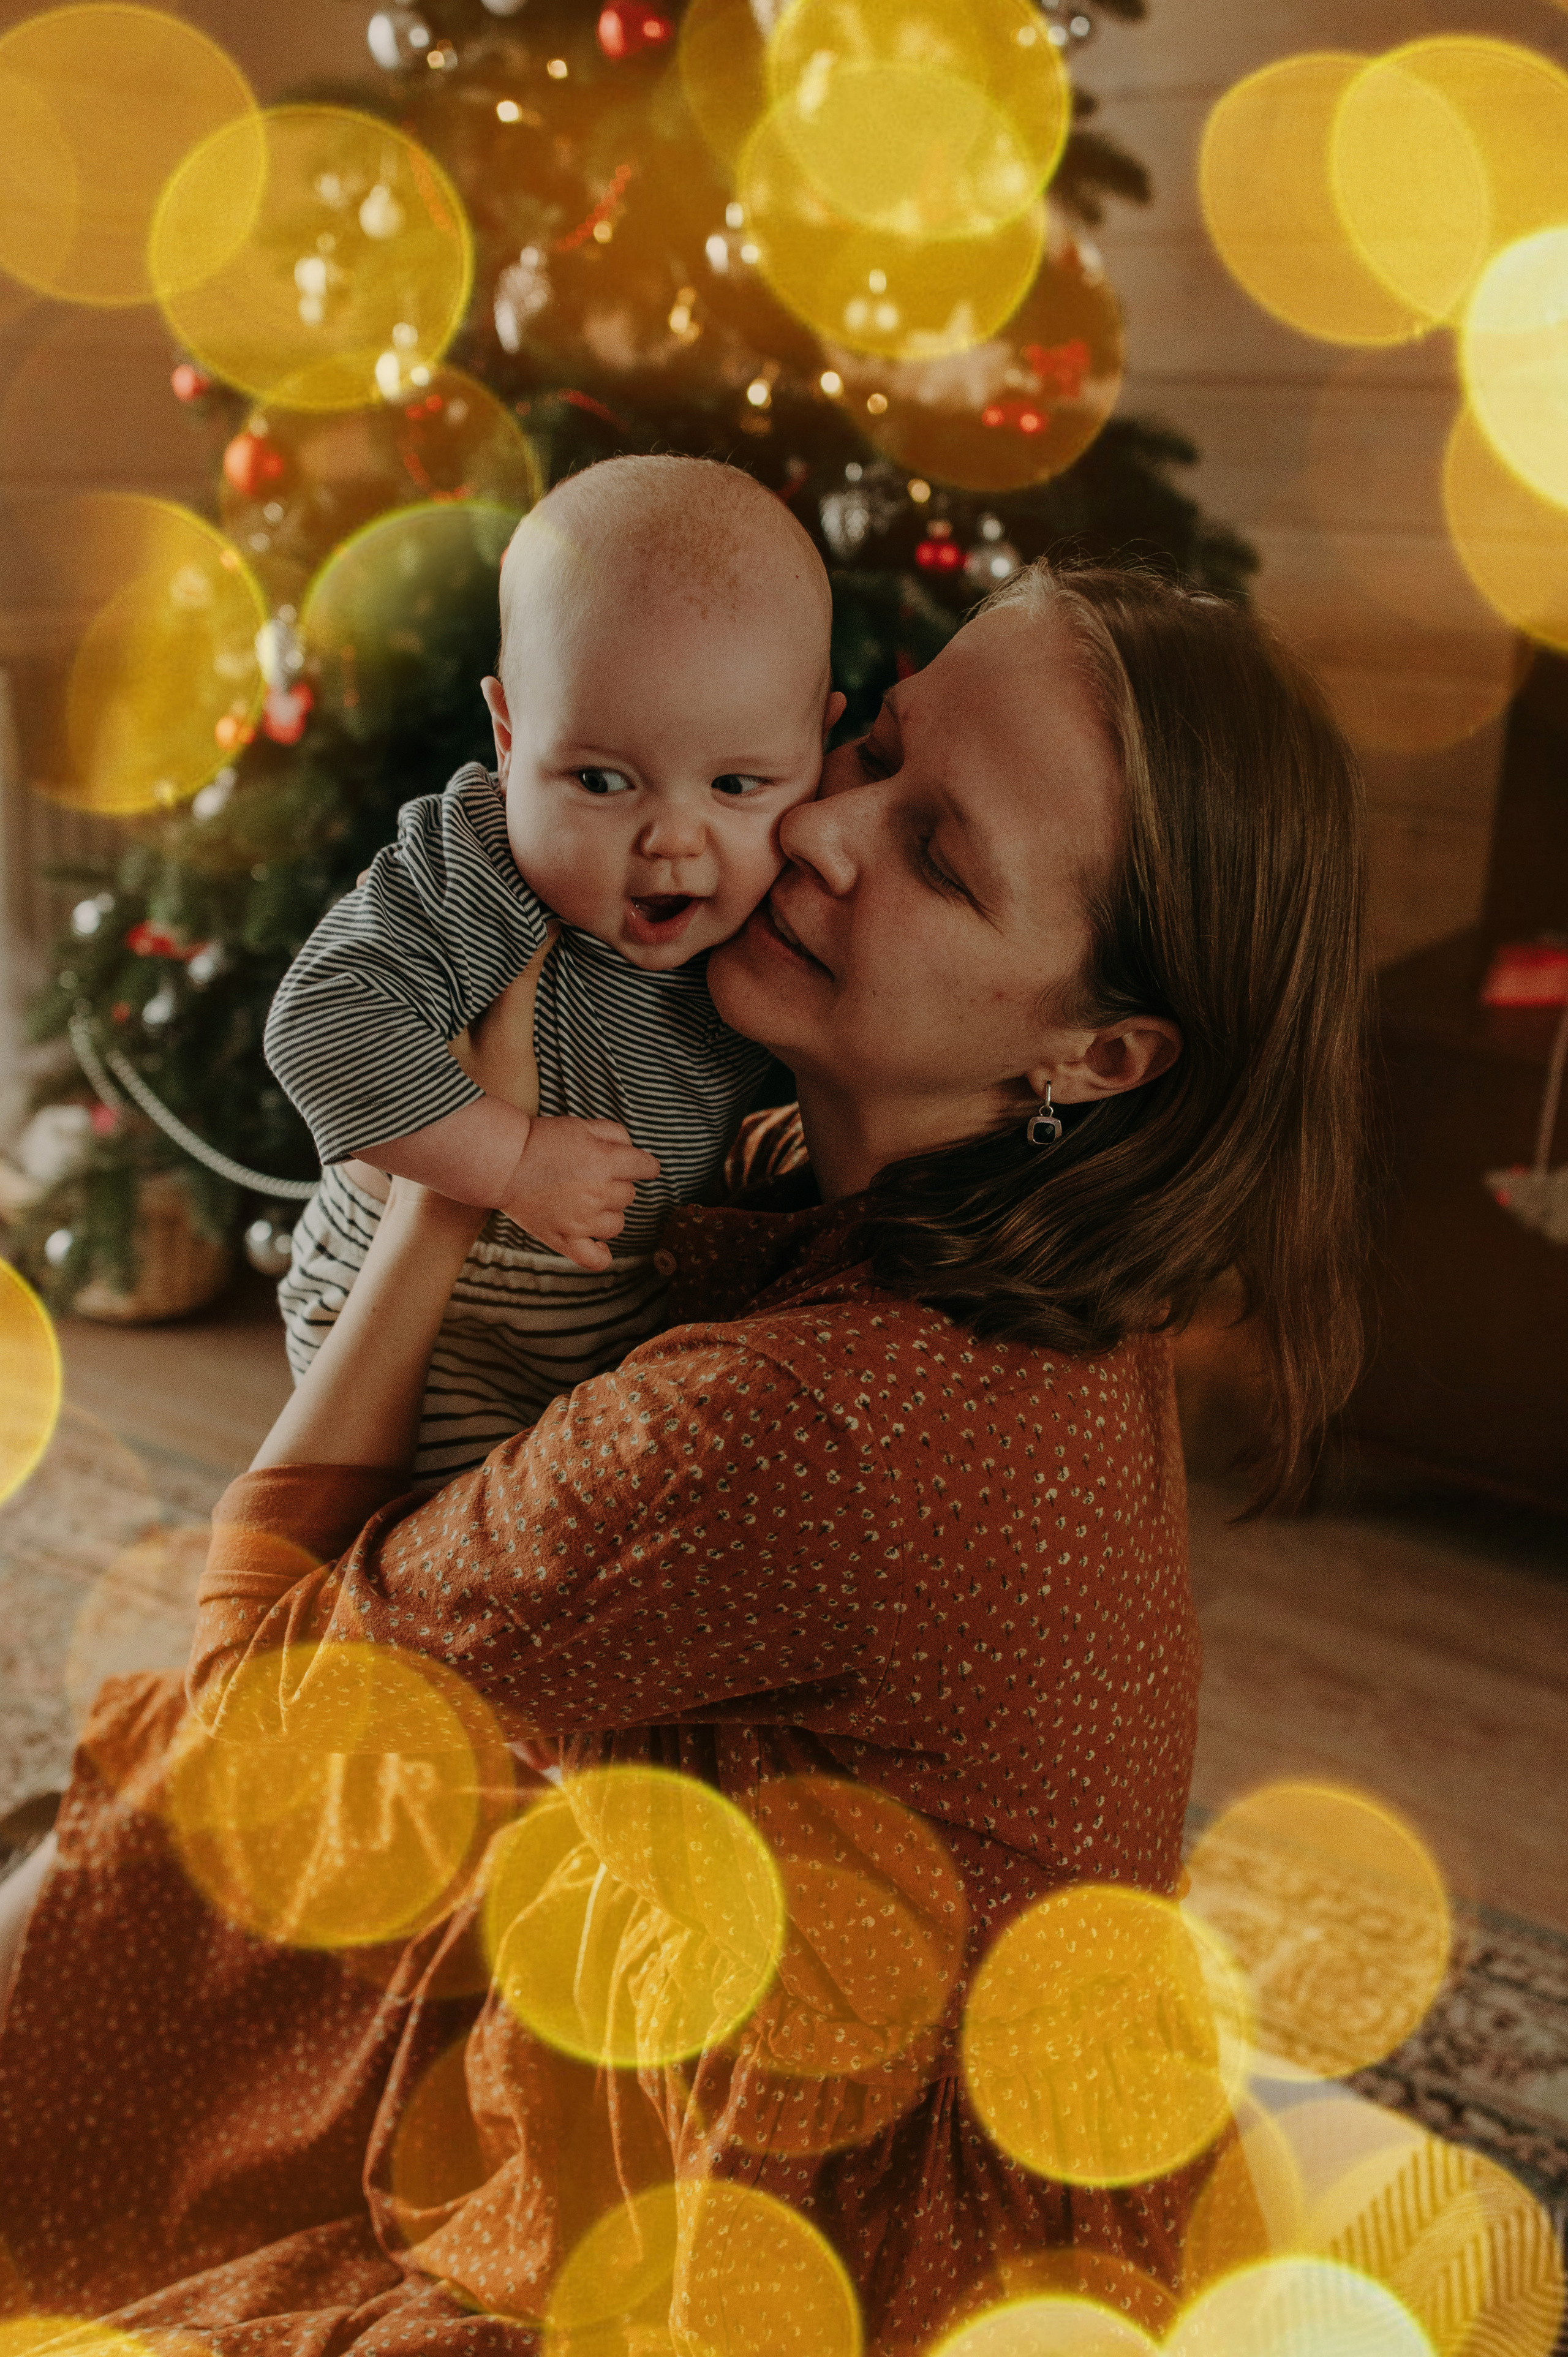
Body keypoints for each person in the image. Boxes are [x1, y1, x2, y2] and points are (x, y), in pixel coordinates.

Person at [0, 565, 1370, 2357]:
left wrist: (443, 1189)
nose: (816, 835)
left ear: (1098, 1052)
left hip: (824, 2232)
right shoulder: (986, 1246)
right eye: (870, 745)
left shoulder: (794, 1422)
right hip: (990, 2090)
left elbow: (253, 1725)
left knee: (160, 1884)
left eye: (940, 853)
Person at [268, 454, 844, 1481]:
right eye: (600, 779)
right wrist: (510, 1162)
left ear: (817, 748)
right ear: (507, 735)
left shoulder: (779, 908)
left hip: (606, 1326)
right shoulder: (480, 866)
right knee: (443, 1566)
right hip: (436, 1323)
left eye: (737, 782)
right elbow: (317, 1021)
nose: (674, 839)